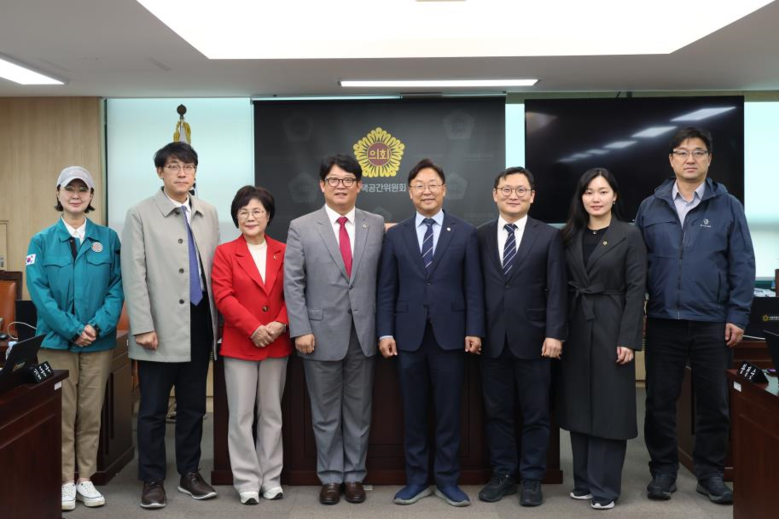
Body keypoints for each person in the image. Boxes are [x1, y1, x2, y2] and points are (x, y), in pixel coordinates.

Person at [636, 127, 755, 505]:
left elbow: (743, 264)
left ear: (709, 159)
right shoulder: (650, 206)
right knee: (659, 401)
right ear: (671, 159)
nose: (691, 159)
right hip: (663, 321)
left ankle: (710, 474)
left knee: (714, 402)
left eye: (698, 152)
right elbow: (637, 267)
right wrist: (637, 313)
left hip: (713, 321)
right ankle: (663, 471)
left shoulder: (728, 205)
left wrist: (737, 314)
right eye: (683, 152)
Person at [377, 158, 484, 507]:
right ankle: (417, 479)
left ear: (444, 190)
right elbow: (386, 288)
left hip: (451, 337)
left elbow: (473, 288)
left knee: (449, 413)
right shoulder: (396, 234)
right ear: (410, 193)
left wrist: (474, 328)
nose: (426, 191)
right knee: (413, 413)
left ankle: (448, 480)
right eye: (419, 185)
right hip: (407, 337)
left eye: (433, 184)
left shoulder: (465, 232)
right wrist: (385, 332)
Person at [121, 142, 220, 509]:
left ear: (195, 173)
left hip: (199, 322)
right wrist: (142, 325)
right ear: (160, 172)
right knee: (152, 410)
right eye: (174, 166)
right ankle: (152, 478)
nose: (182, 173)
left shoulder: (208, 212)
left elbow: (213, 269)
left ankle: (190, 473)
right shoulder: (140, 213)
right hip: (157, 327)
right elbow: (134, 274)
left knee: (193, 407)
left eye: (188, 167)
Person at [283, 154, 385, 505]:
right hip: (318, 334)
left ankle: (354, 476)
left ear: (359, 185)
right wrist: (300, 328)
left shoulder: (375, 224)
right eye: (334, 180)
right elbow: (293, 283)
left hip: (364, 333)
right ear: (322, 185)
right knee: (325, 413)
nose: (341, 186)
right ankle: (329, 477)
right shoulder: (301, 226)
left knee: (359, 412)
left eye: (348, 180)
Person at [26, 166, 124, 512]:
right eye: (70, 189)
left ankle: (86, 478)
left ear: (91, 196)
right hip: (55, 345)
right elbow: (40, 294)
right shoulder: (41, 241)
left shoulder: (108, 239)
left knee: (91, 414)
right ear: (58, 193)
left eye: (83, 189)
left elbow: (117, 288)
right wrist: (72, 329)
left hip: (97, 344)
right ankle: (65, 480)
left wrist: (95, 327)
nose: (76, 195)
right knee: (63, 414)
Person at [475, 167, 566, 507]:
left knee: (535, 414)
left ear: (532, 195)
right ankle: (503, 474)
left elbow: (557, 290)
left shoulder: (549, 236)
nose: (513, 195)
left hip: (535, 340)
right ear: (494, 194)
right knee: (497, 413)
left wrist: (554, 333)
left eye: (521, 190)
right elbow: (474, 288)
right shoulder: (480, 235)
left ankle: (531, 477)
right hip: (492, 340)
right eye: (507, 189)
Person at [557, 168, 647, 510]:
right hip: (576, 326)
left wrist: (629, 339)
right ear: (581, 197)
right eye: (589, 192)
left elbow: (637, 289)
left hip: (612, 324)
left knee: (610, 406)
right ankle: (583, 482)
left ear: (615, 196)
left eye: (603, 191)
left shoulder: (630, 234)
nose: (595, 198)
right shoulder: (569, 234)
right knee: (578, 404)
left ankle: (605, 488)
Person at [211, 186, 292, 505]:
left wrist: (280, 323)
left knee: (272, 413)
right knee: (241, 415)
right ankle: (246, 480)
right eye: (243, 212)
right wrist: (254, 328)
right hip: (240, 344)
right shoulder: (225, 252)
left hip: (276, 341)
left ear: (268, 215)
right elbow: (223, 296)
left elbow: (295, 291)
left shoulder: (285, 250)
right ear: (236, 218)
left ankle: (271, 478)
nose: (250, 217)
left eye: (257, 211)